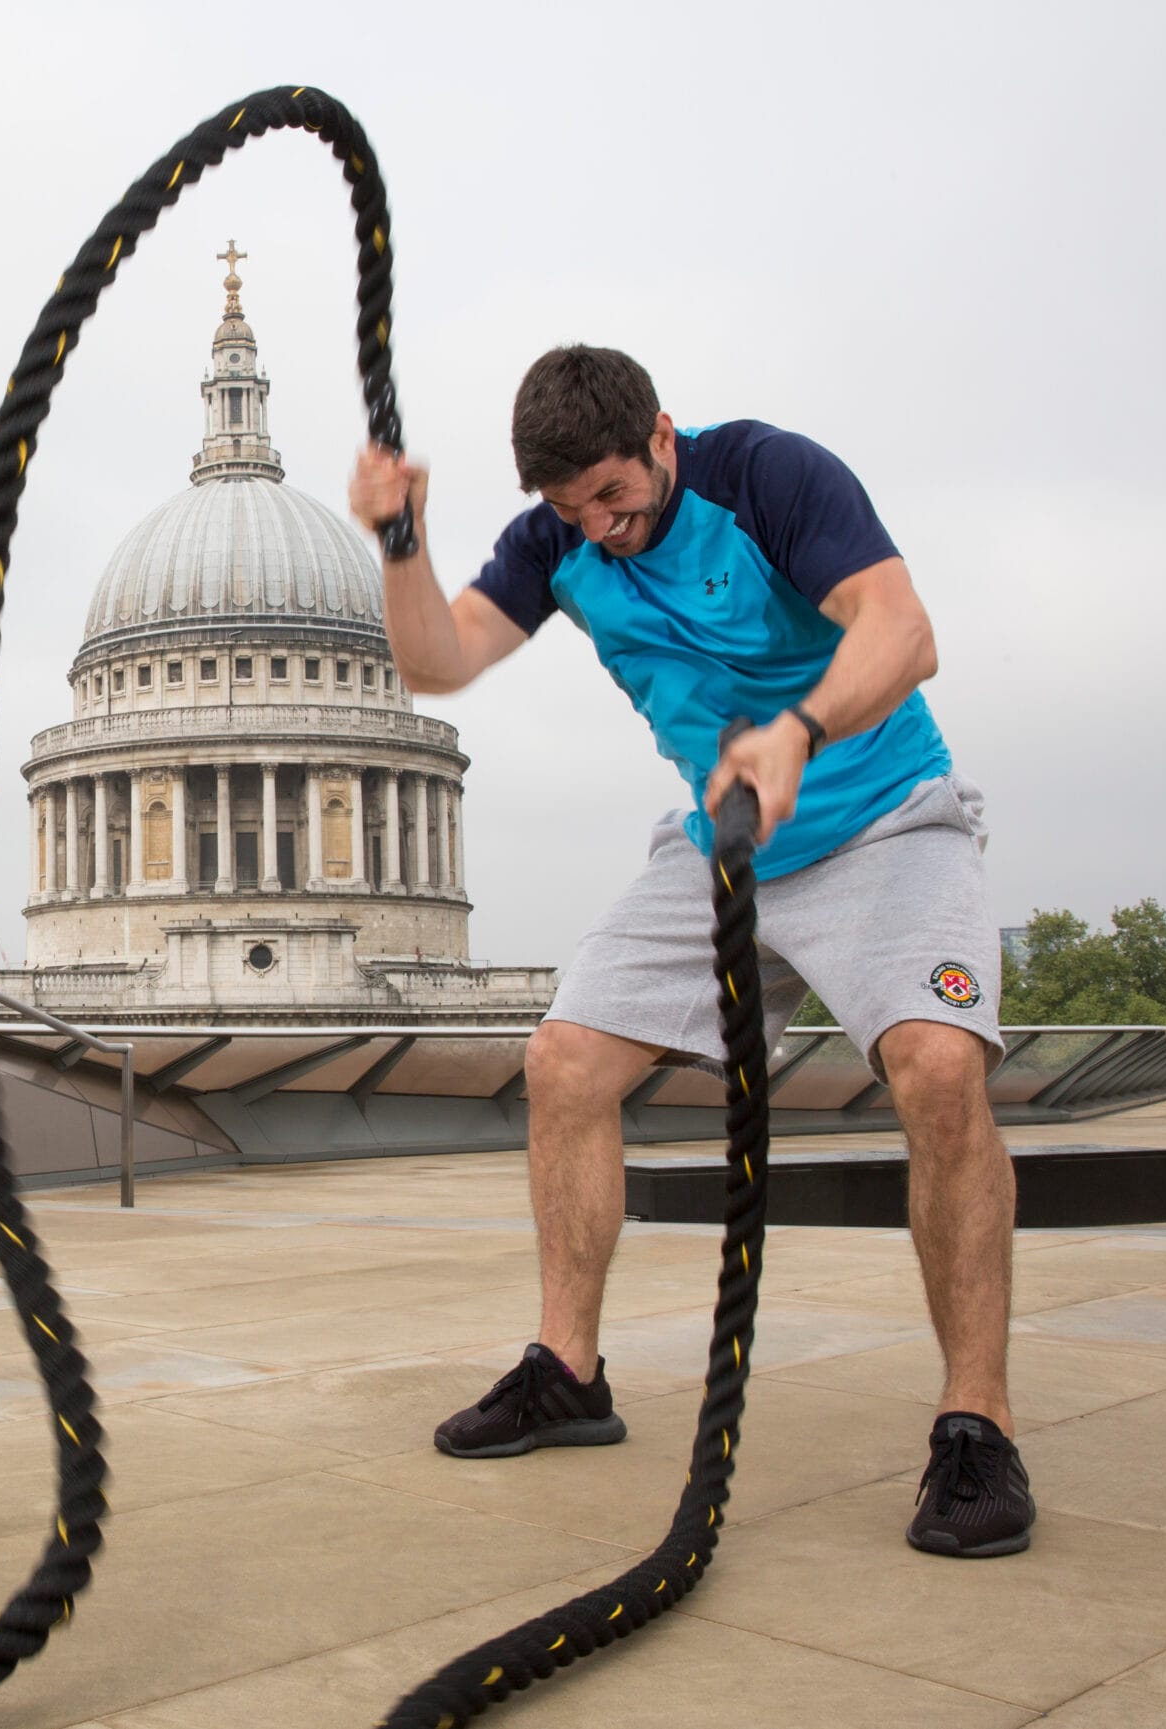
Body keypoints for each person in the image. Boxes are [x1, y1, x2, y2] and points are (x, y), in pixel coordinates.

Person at [350, 346, 1031, 1558]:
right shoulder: (555, 544)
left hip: (883, 821)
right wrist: (401, 540)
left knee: (937, 1071)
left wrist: (798, 731)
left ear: (661, 436)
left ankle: (976, 1423)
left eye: (614, 497)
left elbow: (904, 630)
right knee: (563, 1062)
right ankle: (568, 1373)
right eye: (571, 510)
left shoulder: (766, 476)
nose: (599, 530)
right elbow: (435, 662)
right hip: (721, 841)